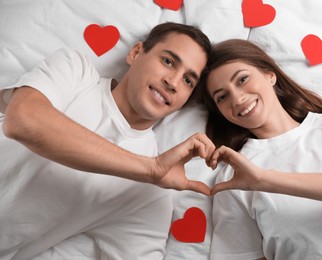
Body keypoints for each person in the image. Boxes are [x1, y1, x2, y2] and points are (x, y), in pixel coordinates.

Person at [0, 22, 214, 259]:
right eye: (168, 61)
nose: (173, 83)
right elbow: (22, 119)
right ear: (135, 53)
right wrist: (150, 169)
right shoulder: (76, 71)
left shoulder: (151, 191)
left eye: (188, 81)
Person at [198, 39, 322, 260]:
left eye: (242, 79)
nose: (238, 98)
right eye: (222, 97)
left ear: (270, 74)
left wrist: (263, 180)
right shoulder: (233, 176)